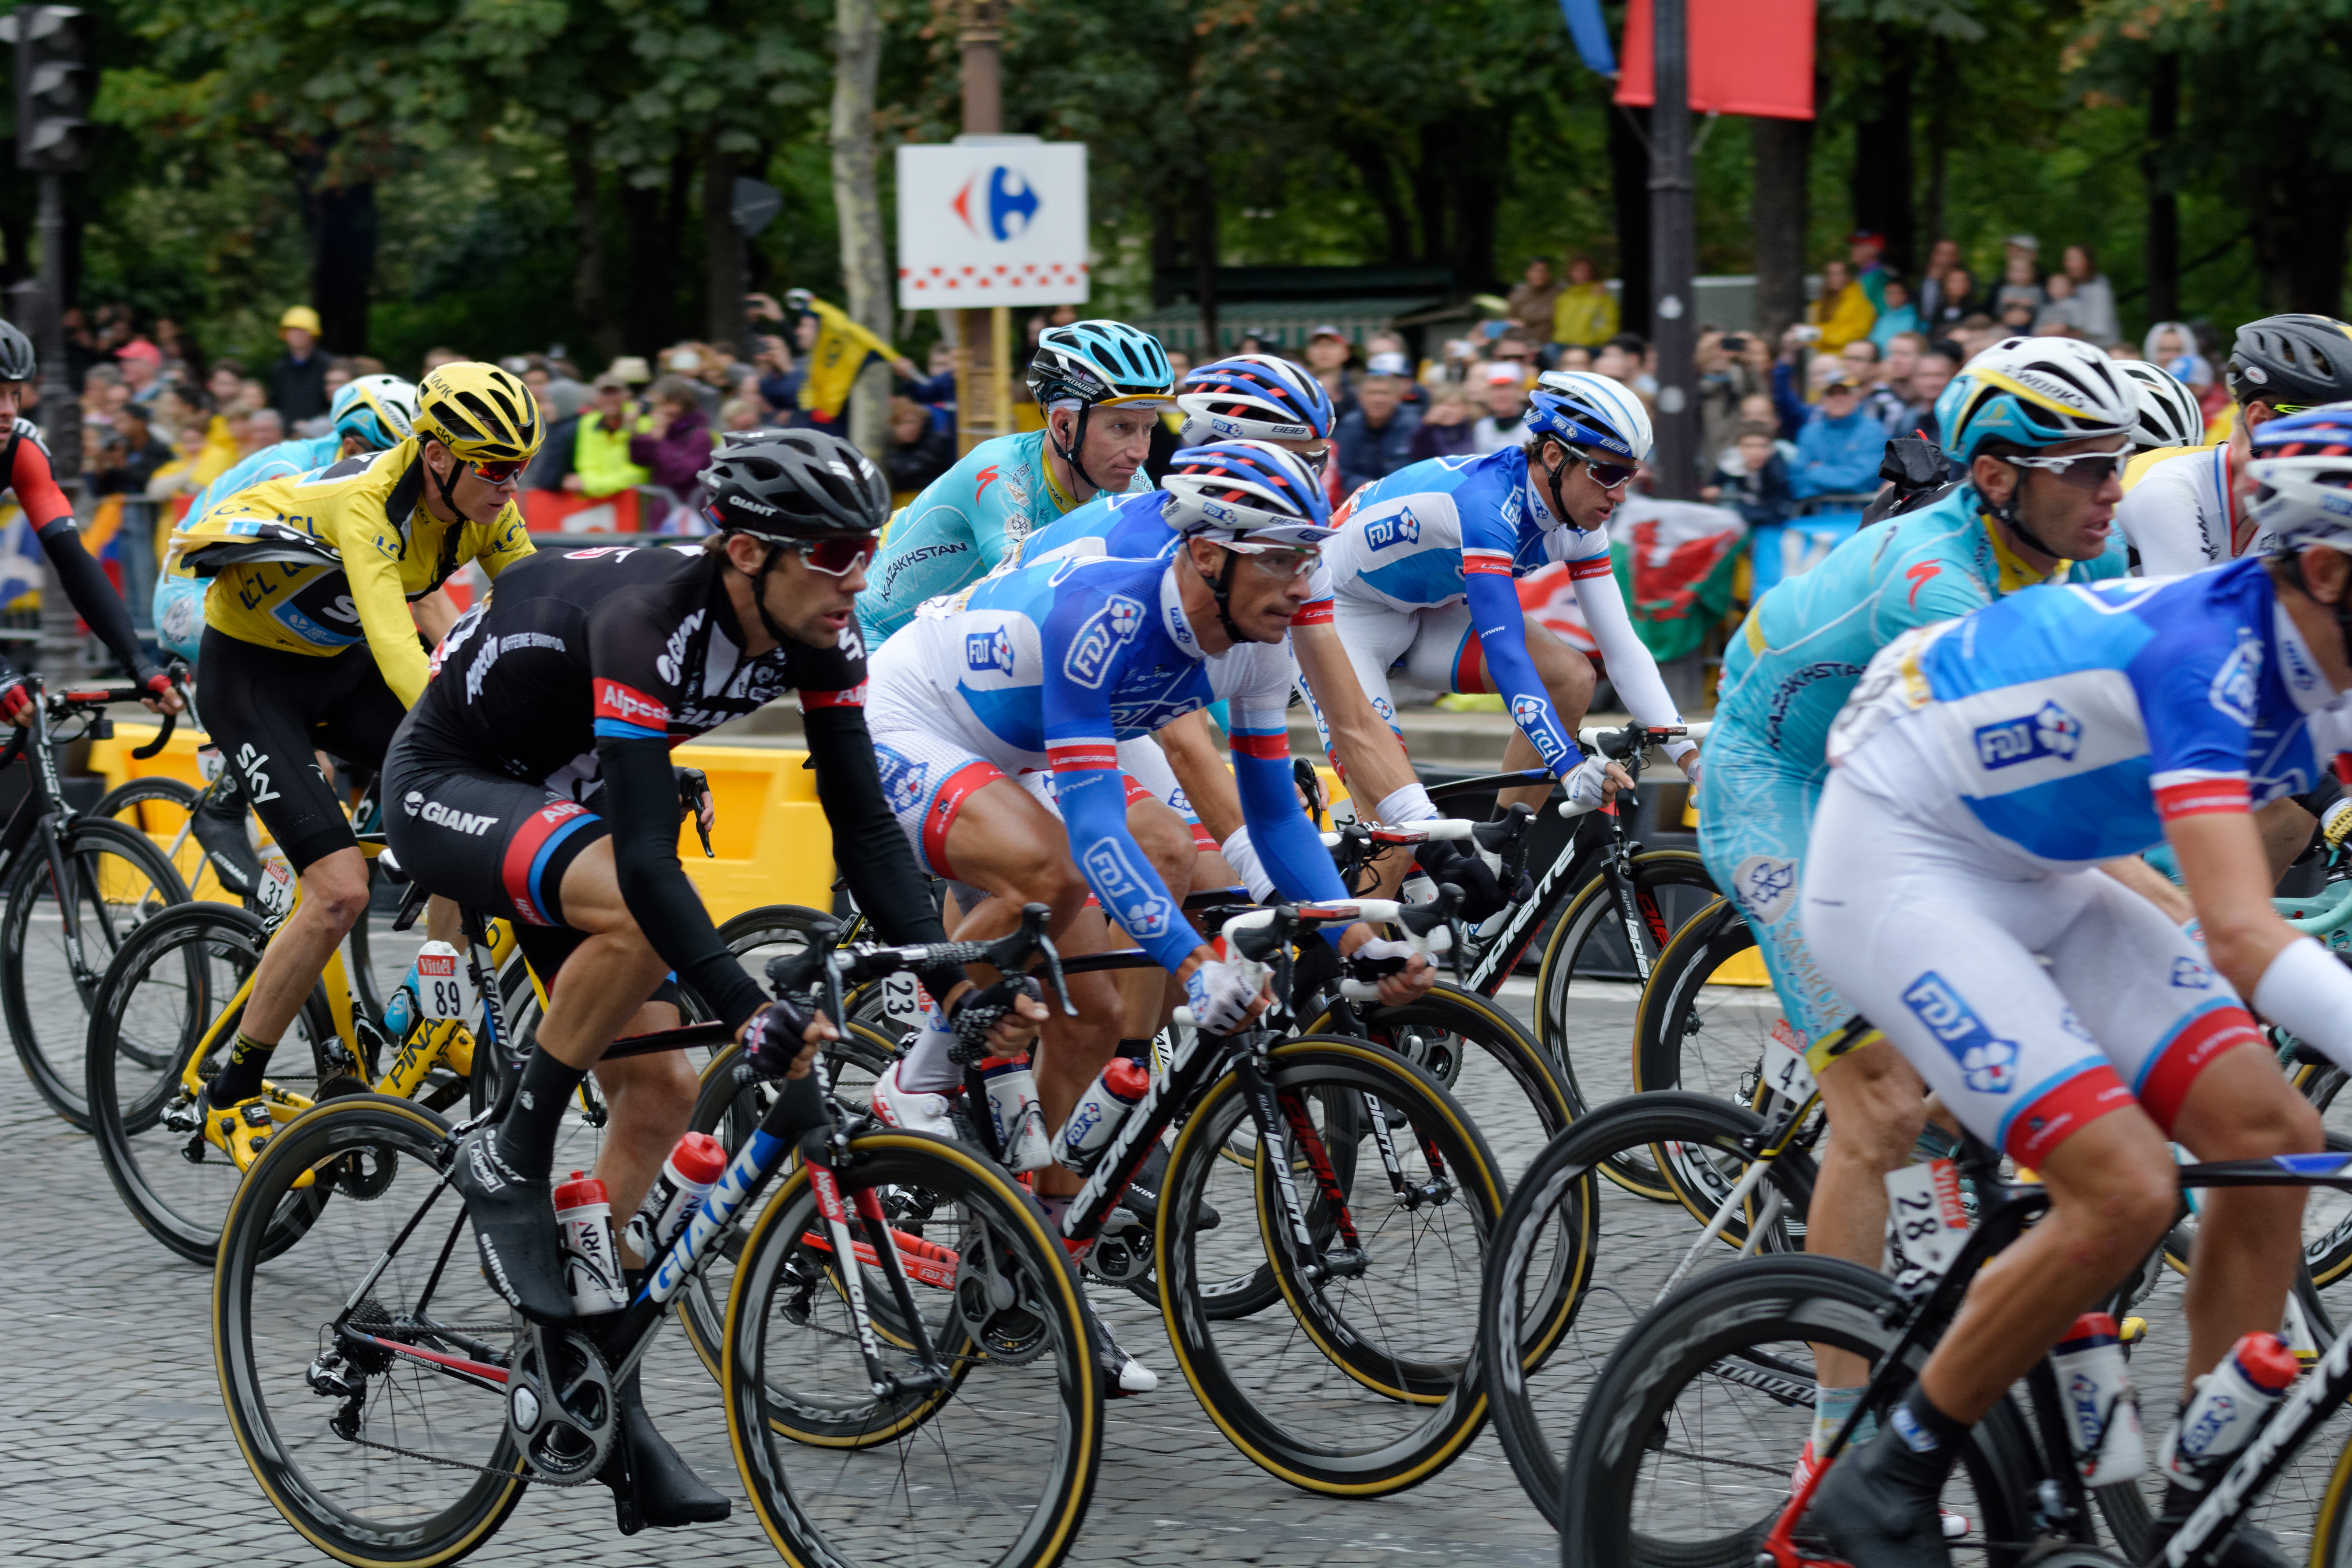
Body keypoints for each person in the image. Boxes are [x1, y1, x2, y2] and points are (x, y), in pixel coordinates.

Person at [388, 428, 1045, 1518]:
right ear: (747, 553)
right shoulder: (650, 620)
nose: (859, 580)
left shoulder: (821, 636)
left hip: (564, 798)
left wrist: (955, 986)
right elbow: (647, 862)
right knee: (639, 909)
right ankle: (510, 1151)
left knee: (657, 1097)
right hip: (451, 780)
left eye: (868, 550)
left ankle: (581, 1368)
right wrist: (747, 1011)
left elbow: (868, 828)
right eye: (833, 553)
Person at [1802, 407, 2352, 1566]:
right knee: (2125, 1186)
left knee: (2272, 1132)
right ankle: (1888, 1471)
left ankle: (2201, 1497)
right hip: (1898, 857)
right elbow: (2240, 935)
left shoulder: (2324, 656)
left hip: (2038, 867)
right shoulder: (2215, 653)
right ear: (2326, 566)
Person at [861, 439, 1438, 1385]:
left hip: (1023, 743)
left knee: (1090, 1022)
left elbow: (1270, 819)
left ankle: (1033, 1262)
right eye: (1284, 558)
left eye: (1309, 557)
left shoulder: (1257, 639)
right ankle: (917, 1069)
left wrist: (1353, 940)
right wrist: (1193, 965)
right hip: (917, 714)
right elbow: (1093, 831)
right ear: (1209, 554)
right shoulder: (1111, 611)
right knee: (1050, 870)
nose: (1305, 583)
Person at [1701, 336, 2137, 1510]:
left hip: (1888, 779)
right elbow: (2034, 804)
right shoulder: (1935, 582)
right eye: (2087, 465)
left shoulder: (2049, 558)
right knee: (1883, 1106)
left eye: (2121, 463)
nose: (2115, 488)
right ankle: (1835, 1441)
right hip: (1775, 783)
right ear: (1996, 478)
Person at [163, 363, 541, 1172]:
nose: (513, 485)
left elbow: (546, 608)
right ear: (438, 456)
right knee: (339, 891)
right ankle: (232, 1086)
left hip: (334, 667)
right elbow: (401, 650)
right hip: (252, 678)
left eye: (522, 466)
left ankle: (431, 1014)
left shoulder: (483, 508)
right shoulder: (370, 502)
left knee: (466, 804)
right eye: (497, 467)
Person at [1321, 371, 1699, 824]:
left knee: (1572, 675)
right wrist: (1568, 764)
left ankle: (1500, 844)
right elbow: (1505, 654)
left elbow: (1624, 652)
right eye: (1608, 473)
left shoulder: (1581, 523)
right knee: (1401, 827)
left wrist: (1693, 763)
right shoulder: (1488, 507)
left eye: (1630, 475)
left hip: (1426, 607)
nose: (1619, 494)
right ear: (1555, 455)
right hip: (1340, 612)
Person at [855, 321, 1172, 646]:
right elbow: (1025, 591)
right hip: (879, 633)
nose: (1140, 452)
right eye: (1121, 427)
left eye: (1148, 428)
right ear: (1064, 424)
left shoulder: (1129, 478)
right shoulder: (1000, 471)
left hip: (953, 647)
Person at [154, 375, 420, 662]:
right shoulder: (286, 467)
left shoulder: (345, 472)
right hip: (188, 591)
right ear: (352, 447)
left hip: (251, 596)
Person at [0, 319, 177, 718]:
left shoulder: (22, 447)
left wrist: (139, 663)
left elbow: (73, 559)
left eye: (15, 394)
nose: (8, 411)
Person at [2116, 314, 2352, 574]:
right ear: (2261, 421)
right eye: (2335, 424)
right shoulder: (2170, 491)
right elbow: (2194, 612)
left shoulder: (2298, 499)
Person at [1790, 375, 1885, 498]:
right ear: (1823, 400)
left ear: (1856, 398)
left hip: (1862, 512)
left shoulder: (1874, 431)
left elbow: (1867, 479)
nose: (1838, 399)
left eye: (1845, 393)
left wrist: (1815, 472)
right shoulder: (1809, 433)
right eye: (1831, 394)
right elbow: (1797, 482)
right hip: (1817, 513)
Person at [1333, 372, 1421, 494]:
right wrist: (1371, 488)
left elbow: (1419, 471)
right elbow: (1343, 472)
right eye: (1372, 393)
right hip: (1361, 497)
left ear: (1398, 397)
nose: (1378, 399)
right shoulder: (1349, 426)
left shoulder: (1414, 425)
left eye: (1384, 393)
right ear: (1360, 398)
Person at [1708, 421, 1794, 528]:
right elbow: (1713, 485)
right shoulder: (1731, 464)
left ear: (1772, 448)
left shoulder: (1777, 466)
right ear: (1738, 448)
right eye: (1749, 446)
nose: (1756, 452)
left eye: (1763, 446)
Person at [267, 306, 331, 426]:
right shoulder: (280, 368)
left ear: (313, 334)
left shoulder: (328, 366)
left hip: (320, 433)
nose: (296, 335)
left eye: (302, 331)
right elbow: (276, 403)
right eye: (291, 331)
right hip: (288, 434)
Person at [1551, 256, 1619, 351]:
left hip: (1591, 346)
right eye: (1577, 270)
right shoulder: (1565, 297)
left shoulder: (1602, 296)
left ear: (1593, 273)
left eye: (1586, 270)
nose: (1582, 274)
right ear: (1570, 273)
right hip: (1564, 344)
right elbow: (1559, 325)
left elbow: (1610, 325)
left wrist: (1594, 340)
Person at [1808, 260, 1876, 352]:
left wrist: (1822, 335)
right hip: (1824, 357)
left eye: (1840, 274)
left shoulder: (1860, 301)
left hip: (1848, 357)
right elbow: (1812, 338)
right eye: (1831, 274)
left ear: (1848, 276)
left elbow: (1859, 332)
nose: (1835, 278)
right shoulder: (1819, 305)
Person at [2063, 243, 2120, 343]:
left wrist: (2061, 332)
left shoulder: (2100, 289)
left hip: (2101, 349)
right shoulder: (2066, 289)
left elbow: (2097, 328)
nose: (2070, 265)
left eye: (2075, 260)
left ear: (2088, 262)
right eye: (2068, 260)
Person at [1469, 362, 1529, 454]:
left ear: (1520, 390)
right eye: (1495, 388)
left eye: (1507, 388)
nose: (1500, 395)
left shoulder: (1534, 427)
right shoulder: (1482, 427)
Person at [1505, 258, 1562, 342]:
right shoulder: (1518, 295)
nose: (1540, 275)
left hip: (1550, 342)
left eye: (1544, 271)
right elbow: (1509, 320)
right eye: (1536, 271)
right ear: (1528, 273)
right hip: (1522, 341)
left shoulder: (1559, 294)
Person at [1867, 278, 1920, 350]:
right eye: (1889, 293)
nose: (1892, 297)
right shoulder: (1882, 317)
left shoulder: (1915, 319)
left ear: (1905, 295)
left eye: (1896, 293)